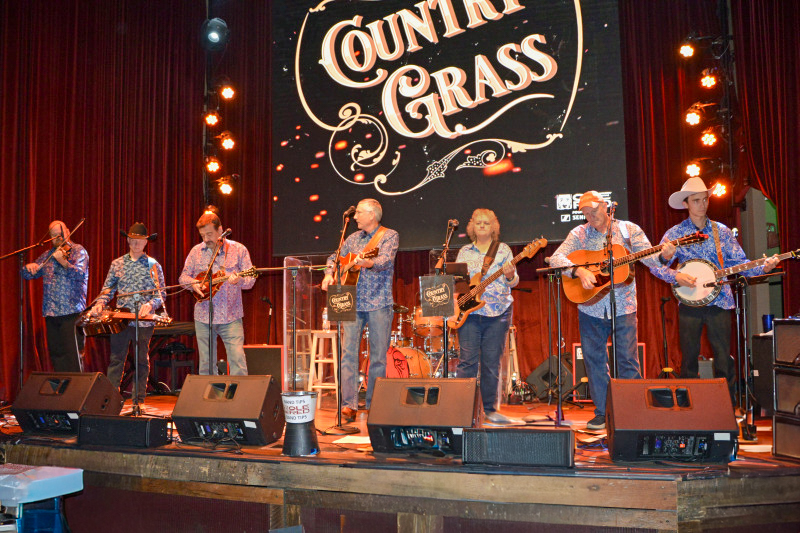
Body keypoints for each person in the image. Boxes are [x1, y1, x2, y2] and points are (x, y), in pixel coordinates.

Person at [650, 177, 779, 400]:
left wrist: (763, 268)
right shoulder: (675, 233)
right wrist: (676, 275)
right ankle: (689, 407)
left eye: (705, 199)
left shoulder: (722, 231)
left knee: (723, 358)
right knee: (689, 358)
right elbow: (656, 266)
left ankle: (726, 407)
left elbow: (741, 264)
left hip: (720, 300)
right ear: (686, 204)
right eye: (696, 200)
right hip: (689, 302)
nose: (702, 204)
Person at [549, 191, 661, 430]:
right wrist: (578, 271)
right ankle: (602, 412)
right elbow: (556, 258)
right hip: (590, 307)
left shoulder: (629, 230)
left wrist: (665, 255)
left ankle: (635, 414)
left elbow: (651, 259)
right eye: (586, 213)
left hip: (623, 306)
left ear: (606, 207)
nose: (590, 216)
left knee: (628, 360)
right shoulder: (579, 233)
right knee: (594, 361)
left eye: (594, 211)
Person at [321, 199, 399, 422]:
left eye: (360, 213)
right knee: (347, 354)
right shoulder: (352, 238)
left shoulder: (389, 235)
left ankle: (375, 405)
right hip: (350, 301)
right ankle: (348, 405)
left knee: (377, 358)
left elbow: (385, 260)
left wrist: (365, 262)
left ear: (372, 215)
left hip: (379, 302)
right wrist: (329, 273)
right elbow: (334, 258)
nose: (355, 217)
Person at [455, 209, 519, 424]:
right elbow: (458, 282)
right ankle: (463, 407)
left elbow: (514, 282)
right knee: (467, 362)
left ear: (494, 227)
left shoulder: (503, 250)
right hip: (470, 314)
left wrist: (510, 276)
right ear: (472, 226)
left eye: (486, 223)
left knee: (491, 362)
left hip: (497, 312)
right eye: (478, 223)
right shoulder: (464, 251)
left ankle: (490, 410)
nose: (482, 226)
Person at [90, 223, 165, 404]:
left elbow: (161, 294)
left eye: (140, 240)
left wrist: (150, 304)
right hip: (121, 320)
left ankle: (138, 401)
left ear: (146, 242)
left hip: (144, 322)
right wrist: (100, 303)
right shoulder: (117, 264)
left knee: (141, 361)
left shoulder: (153, 265)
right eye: (133, 239)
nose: (136, 243)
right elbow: (107, 290)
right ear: (128, 240)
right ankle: (110, 401)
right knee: (116, 360)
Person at [179, 213, 255, 375]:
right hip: (203, 315)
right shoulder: (196, 251)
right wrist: (192, 284)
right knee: (206, 364)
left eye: (209, 234)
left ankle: (240, 398)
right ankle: (210, 399)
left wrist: (239, 281)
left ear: (220, 230)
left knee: (237, 360)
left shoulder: (238, 249)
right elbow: (183, 277)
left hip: (231, 315)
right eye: (202, 235)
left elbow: (250, 280)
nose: (206, 239)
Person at [22, 220, 89, 372]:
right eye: (53, 236)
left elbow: (79, 274)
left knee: (72, 357)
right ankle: (62, 390)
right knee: (57, 355)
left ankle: (76, 393)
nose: (57, 238)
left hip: (71, 311)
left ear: (67, 231)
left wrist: (63, 262)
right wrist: (28, 268)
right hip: (51, 312)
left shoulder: (78, 251)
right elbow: (28, 274)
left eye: (60, 234)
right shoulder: (47, 255)